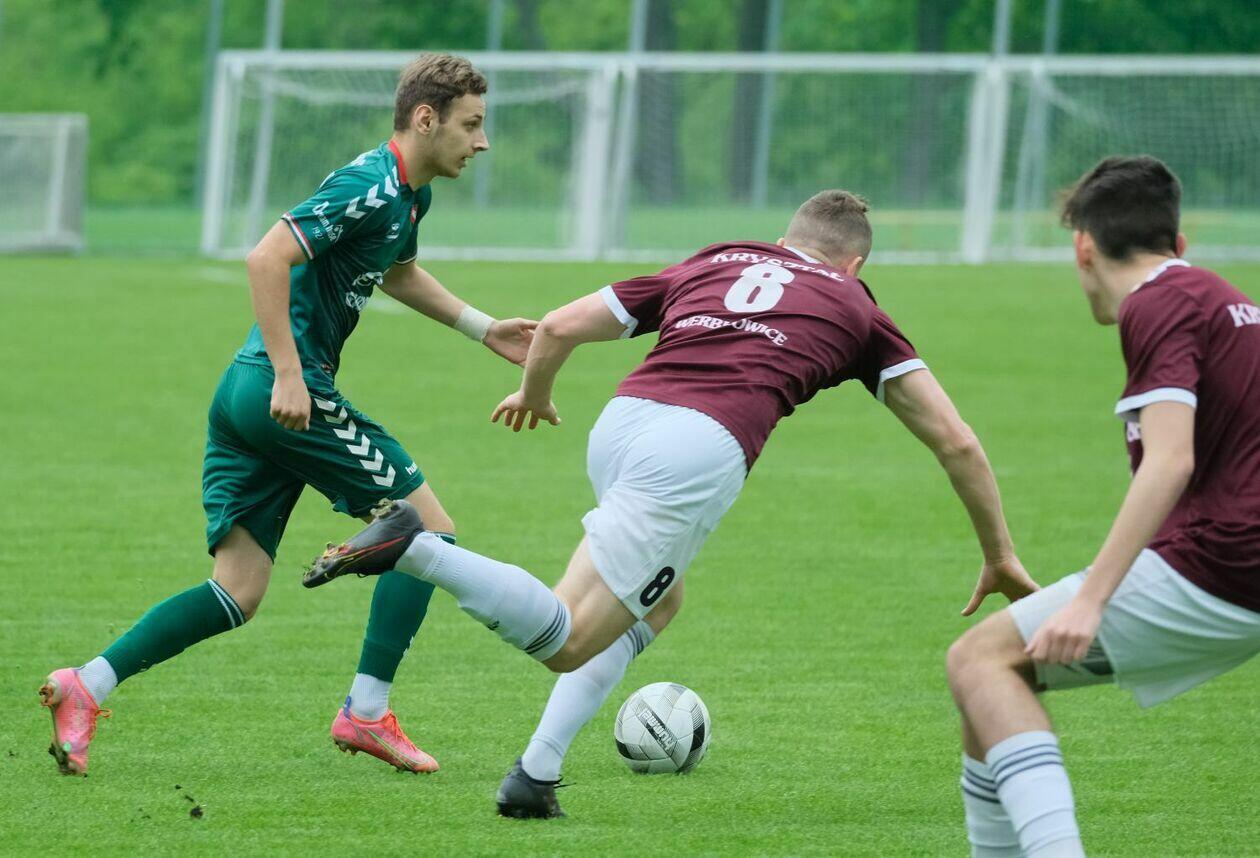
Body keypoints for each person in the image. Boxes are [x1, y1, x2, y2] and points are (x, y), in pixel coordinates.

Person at [304, 190, 1036, 816]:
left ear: (783, 241)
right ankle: (414, 547)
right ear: (855, 265)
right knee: (568, 640)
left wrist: (534, 392)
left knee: (659, 601)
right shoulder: (857, 306)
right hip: (698, 450)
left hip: (622, 425)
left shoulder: (718, 259)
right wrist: (999, 554)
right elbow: (957, 443)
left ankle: (535, 775)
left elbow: (556, 326)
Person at [39, 54, 536, 777]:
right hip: (283, 394)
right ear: (426, 119)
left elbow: (397, 271)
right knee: (428, 531)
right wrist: (291, 374)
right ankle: (366, 713)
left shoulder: (409, 198)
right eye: (472, 125)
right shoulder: (369, 185)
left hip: (249, 396)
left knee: (237, 591)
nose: (482, 142)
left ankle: (86, 685)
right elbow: (266, 258)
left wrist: (483, 328)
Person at [946, 156, 1260, 857]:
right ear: (1179, 242)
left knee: (977, 661)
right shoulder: (1224, 300)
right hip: (1243, 565)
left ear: (1082, 247)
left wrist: (1090, 601)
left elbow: (1171, 459)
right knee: (996, 681)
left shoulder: (1158, 300)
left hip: (1227, 558)